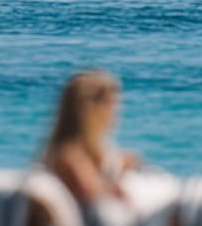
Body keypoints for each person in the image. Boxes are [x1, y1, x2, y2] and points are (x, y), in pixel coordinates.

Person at [41, 69, 140, 205]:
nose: (117, 110)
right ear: (93, 108)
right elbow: (96, 199)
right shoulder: (70, 158)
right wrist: (117, 174)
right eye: (112, 103)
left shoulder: (70, 152)